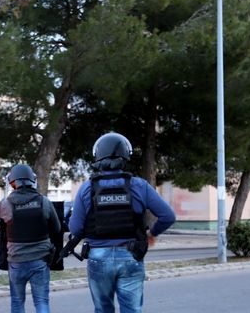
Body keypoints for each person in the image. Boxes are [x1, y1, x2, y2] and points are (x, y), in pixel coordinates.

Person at [68, 132, 176, 313]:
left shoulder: (87, 187)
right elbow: (168, 216)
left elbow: (75, 228)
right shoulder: (139, 185)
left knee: (103, 310)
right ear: (126, 156)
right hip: (130, 255)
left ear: (97, 157)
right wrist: (152, 234)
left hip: (98, 257)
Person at [0, 164, 61, 313]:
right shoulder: (44, 202)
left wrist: (1, 203)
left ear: (12, 183)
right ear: (33, 181)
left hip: (16, 262)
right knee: (42, 301)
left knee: (17, 303)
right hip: (41, 260)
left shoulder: (6, 204)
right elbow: (56, 229)